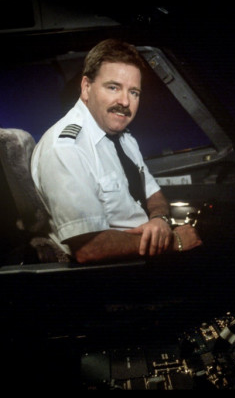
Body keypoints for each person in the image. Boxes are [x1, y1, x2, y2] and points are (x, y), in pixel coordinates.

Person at [31, 38, 202, 264]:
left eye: (134, 92)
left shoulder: (124, 138)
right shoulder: (66, 149)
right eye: (113, 87)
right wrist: (173, 242)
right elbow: (90, 248)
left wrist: (159, 221)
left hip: (141, 254)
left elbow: (153, 193)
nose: (125, 101)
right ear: (86, 87)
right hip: (115, 270)